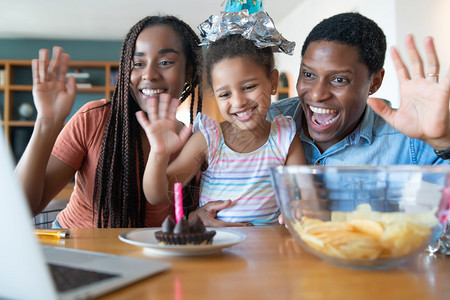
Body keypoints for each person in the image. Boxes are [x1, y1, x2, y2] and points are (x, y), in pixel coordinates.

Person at [195, 12, 450, 226]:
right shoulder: (266, 122)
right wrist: (196, 216)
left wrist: (444, 142)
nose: (317, 94)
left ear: (375, 82)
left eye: (339, 79)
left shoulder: (408, 139)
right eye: (308, 74)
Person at [14, 15, 203, 228]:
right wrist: (47, 122)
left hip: (148, 255)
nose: (149, 74)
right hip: (78, 248)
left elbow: (181, 214)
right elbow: (20, 208)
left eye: (165, 62)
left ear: (189, 71)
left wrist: (199, 216)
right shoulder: (94, 119)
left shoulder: (195, 141)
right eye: (137, 64)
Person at [137, 33, 306, 226]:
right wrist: (159, 154)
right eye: (225, 94)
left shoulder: (285, 136)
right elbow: (157, 196)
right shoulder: (209, 138)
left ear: (273, 82)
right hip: (215, 250)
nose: (238, 102)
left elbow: (301, 196)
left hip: (267, 251)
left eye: (249, 87)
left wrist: (297, 210)